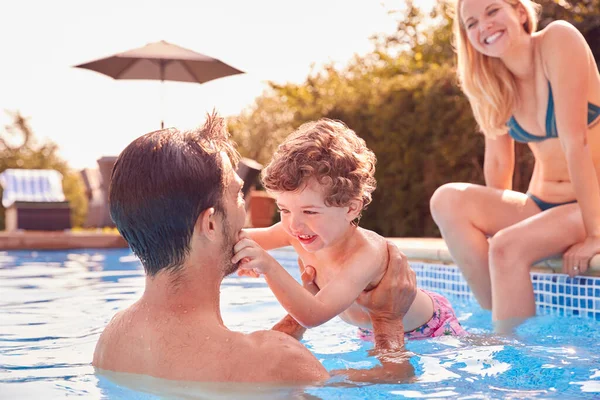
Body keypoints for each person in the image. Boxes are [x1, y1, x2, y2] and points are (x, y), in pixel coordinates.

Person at [92, 113, 417, 384]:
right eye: (237, 194)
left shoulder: (112, 341)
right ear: (210, 224)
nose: (245, 210)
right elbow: (397, 379)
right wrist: (388, 318)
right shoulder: (276, 362)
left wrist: (293, 322)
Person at [429, 0, 600, 331]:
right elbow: (498, 160)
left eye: (492, 11)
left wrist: (596, 234)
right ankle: (502, 321)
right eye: (472, 23)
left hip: (591, 202)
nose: (484, 27)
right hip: (542, 204)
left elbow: (575, 143)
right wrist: (495, 230)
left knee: (507, 248)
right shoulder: (491, 81)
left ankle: (517, 367)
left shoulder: (558, 41)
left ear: (520, 12)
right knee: (446, 200)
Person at [233, 119, 466, 341]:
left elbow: (314, 315)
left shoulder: (365, 253)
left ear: (351, 208)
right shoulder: (295, 231)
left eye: (310, 212)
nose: (294, 224)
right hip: (366, 331)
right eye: (284, 210)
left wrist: (268, 266)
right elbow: (233, 240)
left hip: (429, 330)